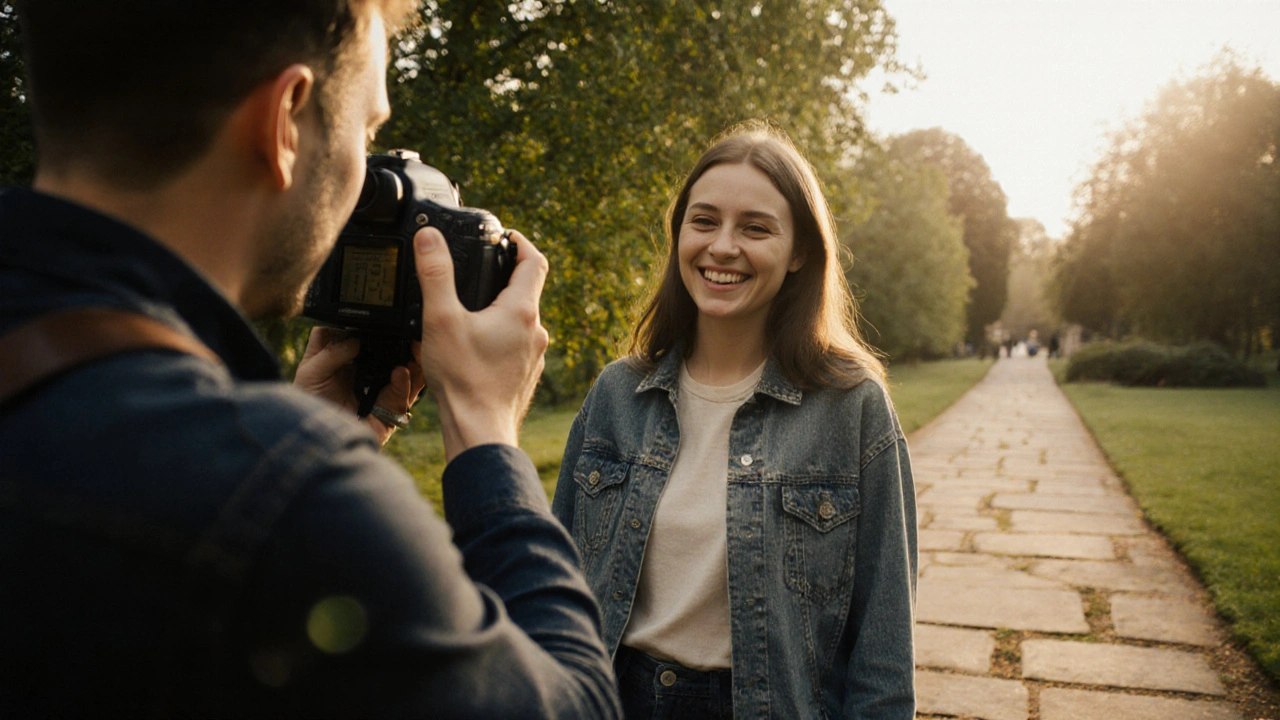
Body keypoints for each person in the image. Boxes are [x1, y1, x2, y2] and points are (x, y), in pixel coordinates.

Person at [0, 1, 619, 717]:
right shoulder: (288, 504)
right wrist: (484, 423)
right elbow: (575, 705)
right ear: (286, 121)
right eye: (368, 129)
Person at [552, 124, 918, 719]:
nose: (723, 246)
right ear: (679, 237)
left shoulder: (852, 407)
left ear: (800, 251)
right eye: (704, 221)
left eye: (755, 227)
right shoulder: (617, 393)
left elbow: (884, 649)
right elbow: (553, 590)